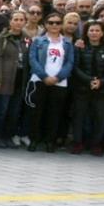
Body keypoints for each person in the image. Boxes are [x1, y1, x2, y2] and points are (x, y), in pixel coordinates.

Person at [27, 13, 73, 153]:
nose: (54, 25)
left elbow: (70, 62)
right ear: (46, 24)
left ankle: (49, 141)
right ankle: (34, 140)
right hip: (40, 81)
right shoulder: (38, 41)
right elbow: (33, 60)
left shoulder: (67, 43)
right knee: (37, 112)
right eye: (51, 22)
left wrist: (58, 77)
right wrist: (44, 76)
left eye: (58, 23)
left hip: (59, 83)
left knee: (54, 113)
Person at [71, 20, 104, 156]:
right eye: (91, 30)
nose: (94, 33)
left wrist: (101, 82)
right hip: (82, 88)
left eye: (97, 30)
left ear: (102, 33)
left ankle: (96, 144)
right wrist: (89, 80)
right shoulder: (80, 47)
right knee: (79, 116)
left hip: (103, 90)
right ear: (86, 32)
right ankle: (78, 142)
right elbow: (75, 67)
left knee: (100, 117)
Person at [0, 10, 29, 148]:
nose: (18, 23)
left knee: (14, 111)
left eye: (21, 20)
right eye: (15, 20)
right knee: (1, 110)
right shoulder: (2, 37)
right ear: (10, 22)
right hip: (4, 78)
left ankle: (8, 135)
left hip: (20, 78)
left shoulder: (27, 39)